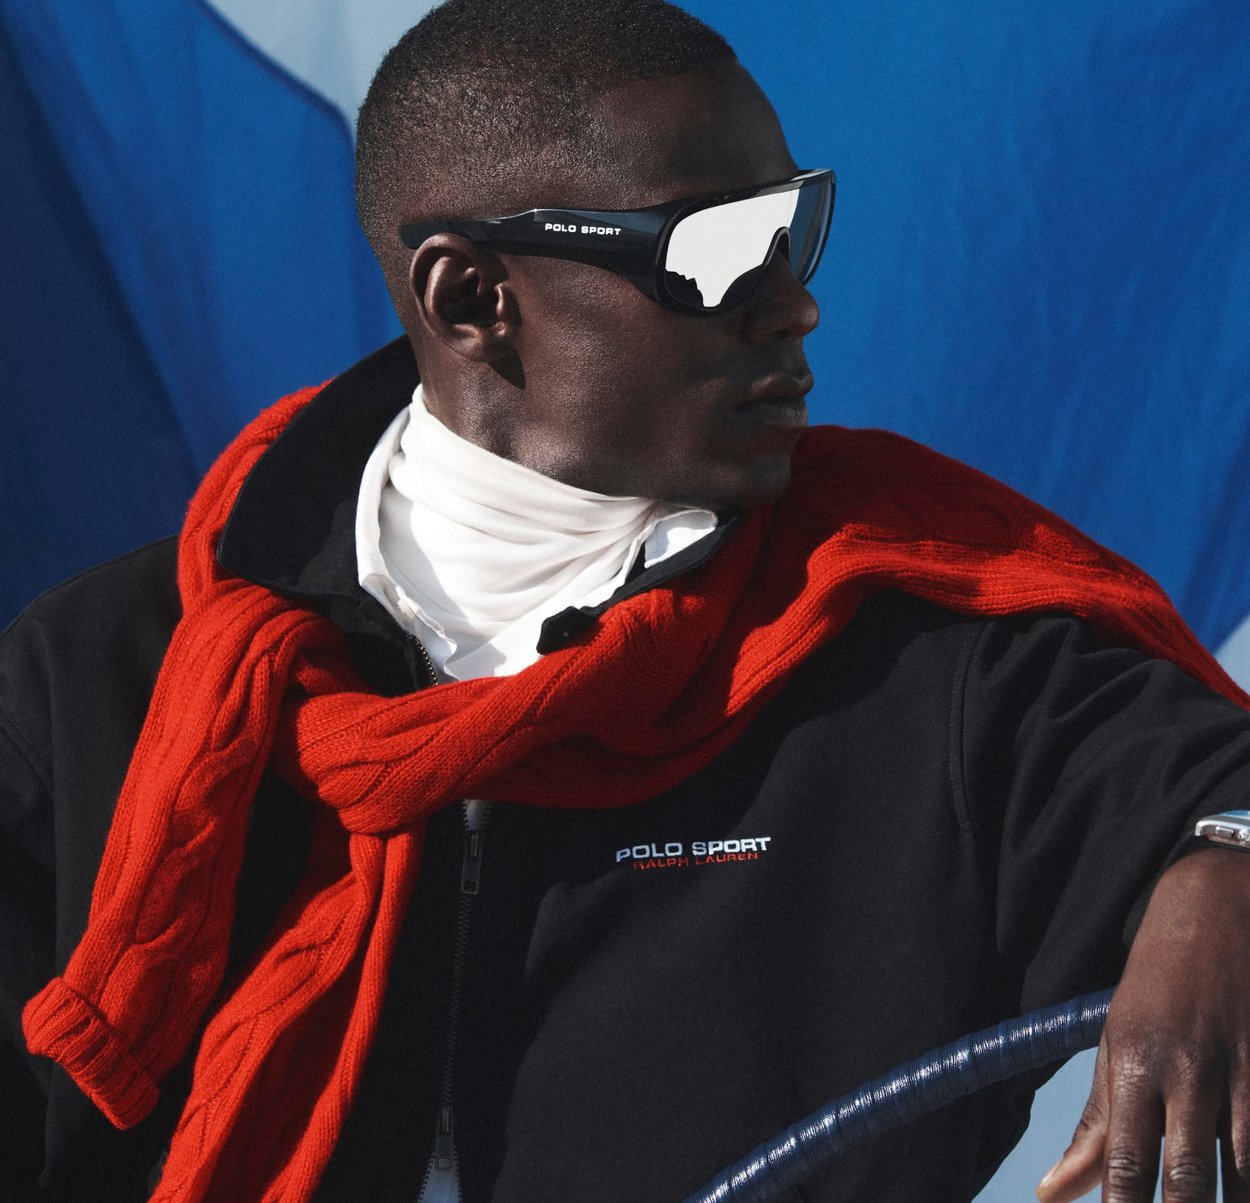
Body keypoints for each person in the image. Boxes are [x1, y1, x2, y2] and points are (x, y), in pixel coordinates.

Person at [3, 1, 1250, 1200]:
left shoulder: (925, 635)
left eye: (792, 228)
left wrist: (1224, 874)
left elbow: (1212, 786)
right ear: (472, 301)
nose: (792, 302)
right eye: (713, 253)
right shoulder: (101, 670)